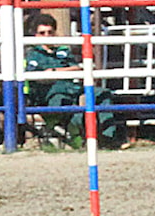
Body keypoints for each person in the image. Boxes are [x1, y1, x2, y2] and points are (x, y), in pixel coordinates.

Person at [25, 13, 126, 148]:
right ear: (36, 35)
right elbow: (40, 78)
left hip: (73, 89)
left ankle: (108, 137)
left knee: (102, 94)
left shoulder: (63, 51)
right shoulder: (33, 54)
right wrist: (64, 71)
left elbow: (77, 69)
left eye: (50, 32)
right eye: (42, 33)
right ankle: (78, 138)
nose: (47, 36)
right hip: (51, 95)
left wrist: (54, 72)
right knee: (66, 103)